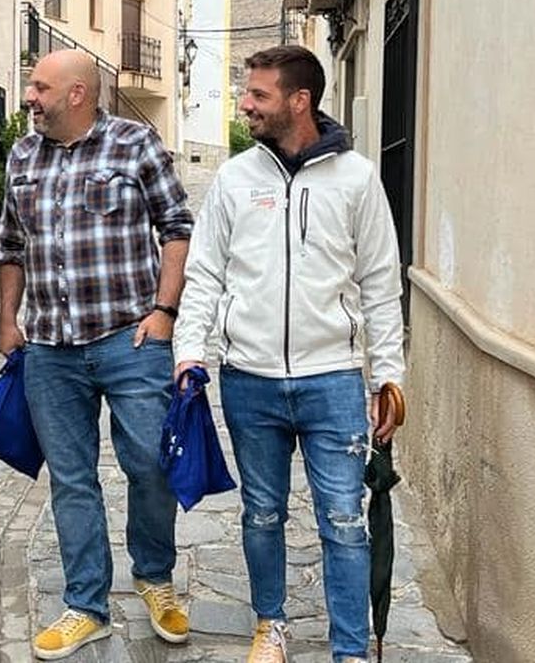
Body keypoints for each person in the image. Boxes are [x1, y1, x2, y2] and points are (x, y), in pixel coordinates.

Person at [171, 45, 405, 663]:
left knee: (345, 523)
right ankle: (269, 624)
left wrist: (388, 377)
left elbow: (381, 282)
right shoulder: (234, 178)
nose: (245, 105)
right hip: (250, 379)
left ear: (299, 101)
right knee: (262, 513)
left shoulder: (356, 179)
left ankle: (350, 650)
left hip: (333, 379)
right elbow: (206, 274)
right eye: (246, 94)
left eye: (259, 96)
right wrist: (190, 350)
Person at [0, 49, 195, 659]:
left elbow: (177, 226)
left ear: (77, 93)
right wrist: (8, 319)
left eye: (39, 86)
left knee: (150, 465)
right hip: (51, 348)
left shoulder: (135, 145)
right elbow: (9, 244)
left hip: (129, 338)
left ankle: (154, 578)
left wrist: (164, 312)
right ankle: (87, 604)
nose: (29, 96)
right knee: (72, 480)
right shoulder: (23, 155)